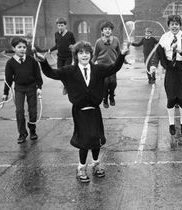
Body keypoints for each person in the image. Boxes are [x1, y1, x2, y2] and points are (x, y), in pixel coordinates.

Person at [36, 41, 129, 183]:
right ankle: (81, 167)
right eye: (81, 53)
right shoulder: (69, 71)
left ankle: (96, 163)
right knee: (84, 140)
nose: (84, 55)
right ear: (76, 55)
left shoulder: (98, 69)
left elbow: (114, 67)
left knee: (96, 139)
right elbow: (51, 73)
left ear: (91, 54)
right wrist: (43, 62)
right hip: (80, 111)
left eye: (87, 52)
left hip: (94, 110)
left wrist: (122, 55)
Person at [2, 37, 43, 143]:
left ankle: (32, 130)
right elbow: (8, 79)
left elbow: (38, 75)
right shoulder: (10, 63)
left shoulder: (32, 60)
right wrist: (5, 93)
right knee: (19, 111)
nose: (22, 49)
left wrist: (39, 87)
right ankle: (22, 133)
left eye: (24, 47)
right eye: (19, 47)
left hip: (31, 87)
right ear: (14, 48)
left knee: (33, 111)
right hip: (19, 88)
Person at [92, 21, 122, 108]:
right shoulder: (98, 42)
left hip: (113, 65)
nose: (107, 31)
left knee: (113, 83)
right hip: (102, 65)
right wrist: (91, 63)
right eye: (105, 29)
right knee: (105, 83)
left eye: (109, 29)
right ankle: (105, 99)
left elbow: (119, 52)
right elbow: (96, 54)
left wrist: (123, 59)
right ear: (102, 31)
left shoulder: (116, 40)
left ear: (111, 31)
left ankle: (111, 96)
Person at [49, 17, 76, 95]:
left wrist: (72, 47)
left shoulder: (70, 34)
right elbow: (57, 45)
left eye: (62, 25)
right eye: (59, 25)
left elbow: (74, 44)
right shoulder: (56, 34)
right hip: (60, 57)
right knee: (60, 73)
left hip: (68, 57)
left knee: (66, 72)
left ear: (65, 25)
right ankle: (66, 85)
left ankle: (66, 86)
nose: (60, 27)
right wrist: (50, 50)